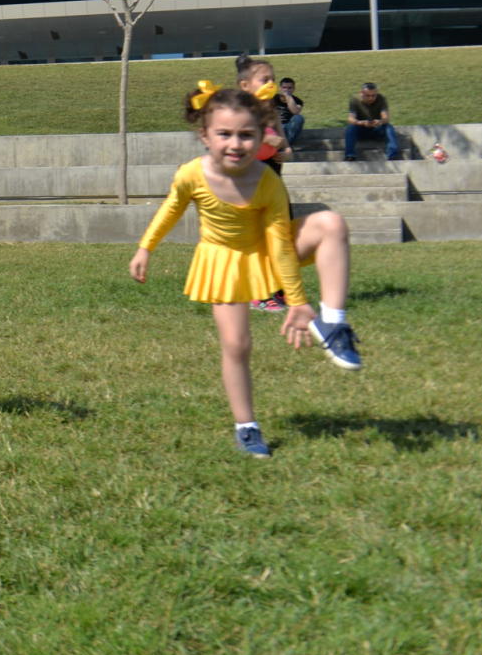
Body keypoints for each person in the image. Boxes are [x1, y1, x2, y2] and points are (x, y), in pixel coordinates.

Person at [130, 84, 344, 458]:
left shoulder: (267, 181)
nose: (235, 144)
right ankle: (246, 426)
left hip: (265, 252)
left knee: (331, 224)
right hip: (223, 261)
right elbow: (171, 209)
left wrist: (297, 300)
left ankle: (333, 321)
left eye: (247, 135)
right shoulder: (190, 175)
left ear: (262, 138)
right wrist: (146, 247)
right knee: (236, 345)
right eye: (224, 134)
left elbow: (279, 242)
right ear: (205, 136)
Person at [233, 59, 363, 367]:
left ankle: (275, 292)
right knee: (260, 239)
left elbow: (287, 151)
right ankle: (259, 293)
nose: (271, 83)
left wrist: (280, 147)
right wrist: (265, 141)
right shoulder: (239, 111)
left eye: (273, 78)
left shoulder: (272, 113)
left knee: (279, 238)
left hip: (274, 183)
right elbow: (235, 141)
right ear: (245, 86)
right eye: (264, 78)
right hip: (248, 186)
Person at [345, 82, 401, 161]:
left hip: (377, 129)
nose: (371, 98)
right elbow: (350, 119)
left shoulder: (381, 99)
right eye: (367, 96)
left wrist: (380, 121)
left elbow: (386, 118)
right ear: (361, 93)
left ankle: (392, 155)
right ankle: (349, 155)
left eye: (373, 95)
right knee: (351, 128)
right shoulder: (355, 100)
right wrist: (362, 123)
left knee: (389, 127)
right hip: (361, 130)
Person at [272, 76, 305, 148]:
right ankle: (285, 146)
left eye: (290, 88)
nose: (287, 90)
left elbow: (295, 111)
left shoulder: (298, 101)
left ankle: (284, 146)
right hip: (276, 126)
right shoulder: (273, 98)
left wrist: (289, 97)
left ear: (293, 89)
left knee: (299, 118)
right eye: (284, 87)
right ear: (280, 88)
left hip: (289, 127)